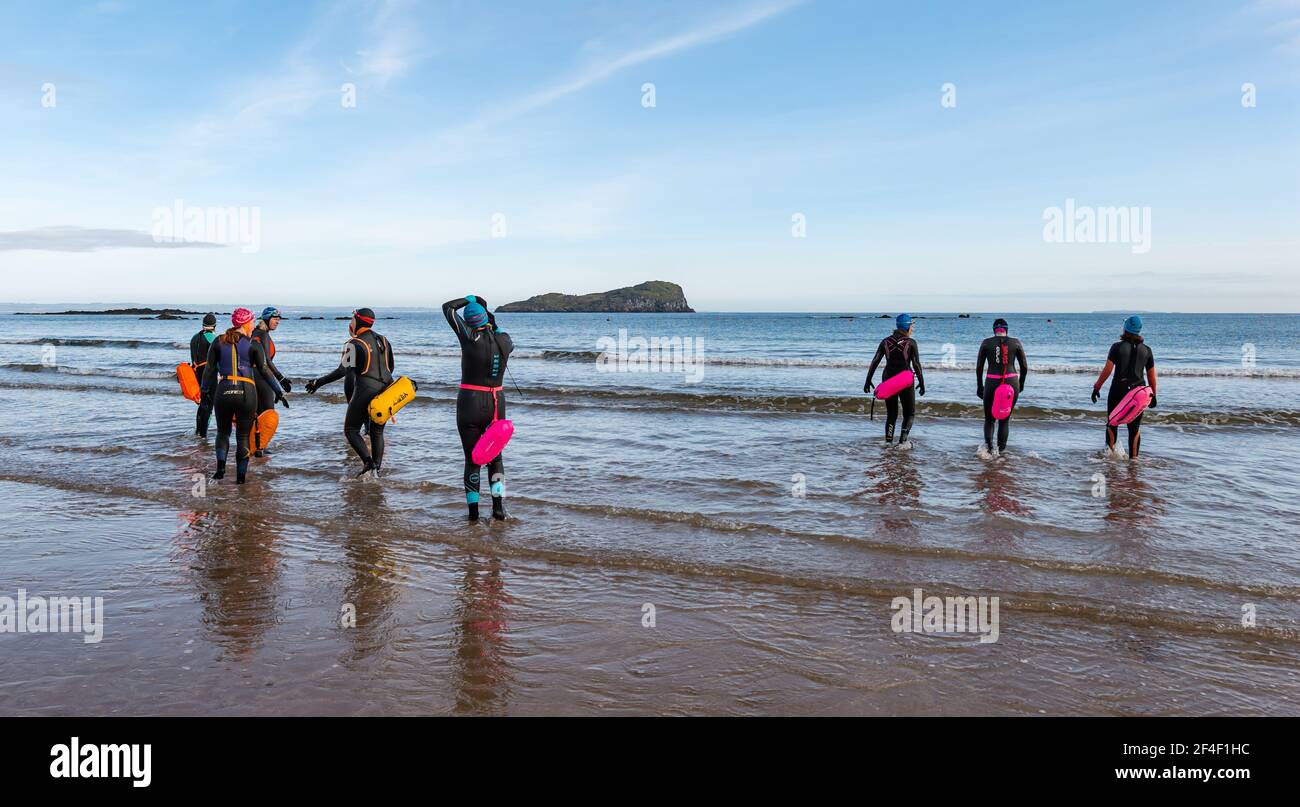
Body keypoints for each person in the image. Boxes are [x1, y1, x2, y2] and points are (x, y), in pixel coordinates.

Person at [443, 295, 513, 521]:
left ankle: (473, 514)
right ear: (487, 319)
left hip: (469, 402)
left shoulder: (469, 336)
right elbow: (498, 329)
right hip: (496, 404)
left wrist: (467, 299)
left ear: (469, 322)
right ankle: (498, 508)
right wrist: (487, 311)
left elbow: (447, 309)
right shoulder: (505, 340)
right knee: (496, 459)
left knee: (472, 459)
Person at [199, 308, 286, 484]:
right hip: (247, 393)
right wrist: (278, 391)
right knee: (243, 436)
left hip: (223, 391)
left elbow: (209, 370)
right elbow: (263, 370)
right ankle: (240, 479)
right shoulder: (254, 344)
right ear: (246, 323)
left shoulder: (218, 341)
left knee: (223, 433)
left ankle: (220, 470)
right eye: (252, 321)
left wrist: (205, 391)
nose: (253, 324)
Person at [304, 308, 394, 478]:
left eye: (352, 319)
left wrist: (318, 382)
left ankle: (368, 462)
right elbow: (390, 366)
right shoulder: (384, 340)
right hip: (386, 390)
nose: (350, 322)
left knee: (351, 430)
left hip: (366, 389)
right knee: (377, 431)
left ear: (357, 321)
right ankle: (377, 471)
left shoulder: (355, 343)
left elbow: (342, 371)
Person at [1092, 315, 1158, 458]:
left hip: (1118, 390)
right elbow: (1152, 377)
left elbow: (1107, 370)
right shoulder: (1147, 350)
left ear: (1125, 328)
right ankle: (1133, 463)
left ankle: (1110, 459)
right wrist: (1154, 395)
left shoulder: (1116, 347)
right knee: (1134, 429)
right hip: (1138, 394)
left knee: (1112, 423)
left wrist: (1096, 387)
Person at [864, 313, 925, 444]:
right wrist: (921, 382)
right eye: (912, 326)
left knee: (891, 414)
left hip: (888, 379)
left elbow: (875, 361)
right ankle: (902, 443)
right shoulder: (911, 343)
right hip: (905, 380)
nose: (912, 329)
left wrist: (868, 380)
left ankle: (888, 442)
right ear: (908, 327)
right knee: (909, 414)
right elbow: (916, 364)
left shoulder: (885, 341)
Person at [975, 318, 1029, 454]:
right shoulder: (1016, 342)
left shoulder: (986, 343)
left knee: (989, 419)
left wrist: (979, 386)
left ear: (994, 331)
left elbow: (979, 367)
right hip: (1012, 382)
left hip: (992, 381)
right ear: (1007, 330)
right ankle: (1001, 453)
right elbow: (1024, 367)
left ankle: (989, 450)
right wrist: (1021, 384)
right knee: (1004, 420)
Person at [249, 306, 292, 456]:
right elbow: (266, 361)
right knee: (268, 414)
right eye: (275, 319)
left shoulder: (255, 333)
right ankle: (261, 448)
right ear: (266, 319)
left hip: (252, 376)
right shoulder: (263, 335)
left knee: (258, 414)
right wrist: (280, 379)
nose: (278, 321)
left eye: (279, 319)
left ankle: (256, 447)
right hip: (262, 377)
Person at [189, 313, 218, 437]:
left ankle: (198, 430)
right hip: (209, 374)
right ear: (214, 326)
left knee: (202, 404)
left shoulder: (194, 337)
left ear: (203, 324)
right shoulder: (212, 337)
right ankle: (203, 435)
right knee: (209, 405)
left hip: (197, 373)